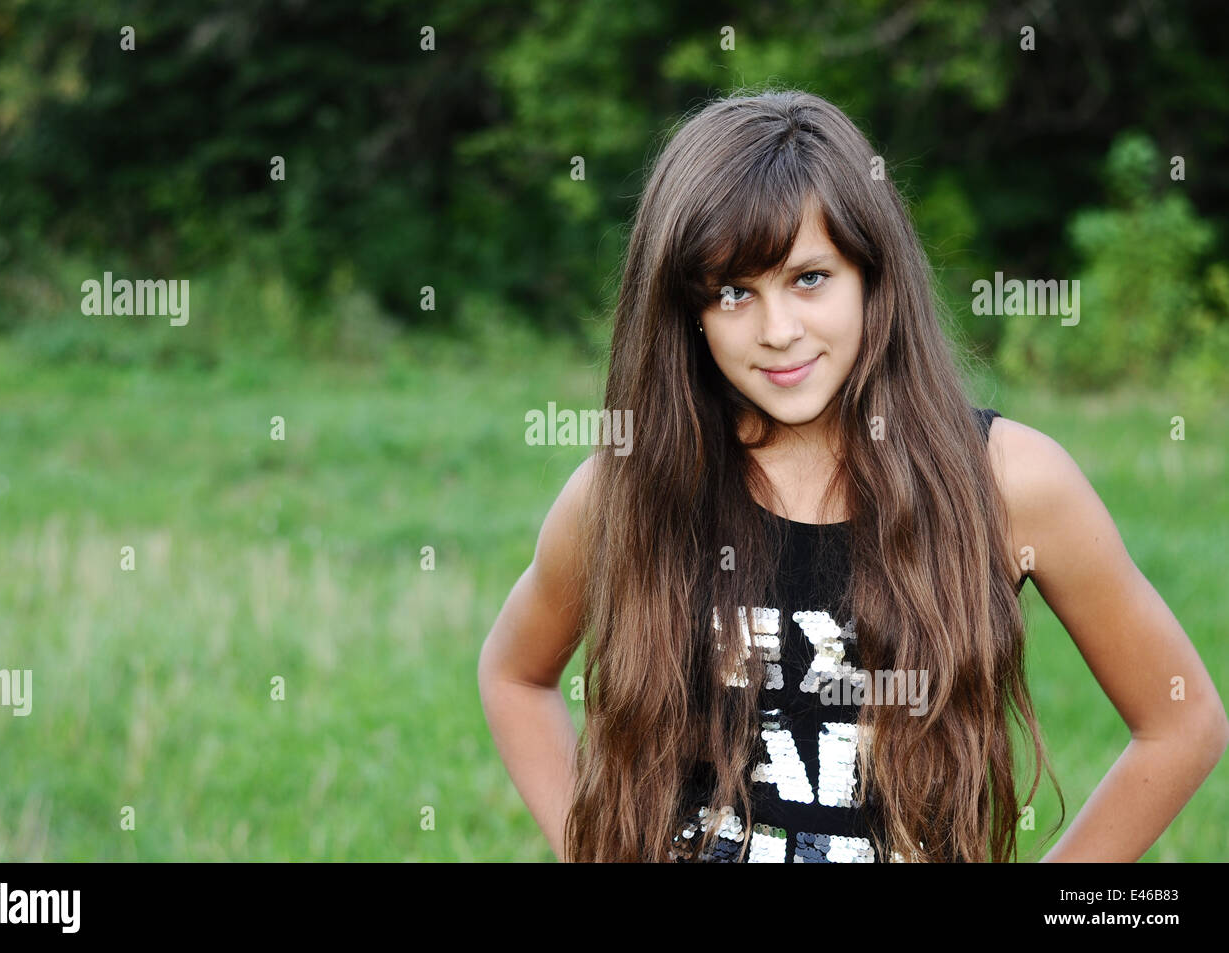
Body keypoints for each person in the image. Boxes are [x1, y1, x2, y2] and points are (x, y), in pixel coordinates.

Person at [477, 88, 1228, 863]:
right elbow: (516, 675)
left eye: (809, 278)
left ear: (872, 272)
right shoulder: (628, 489)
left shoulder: (1009, 483)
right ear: (686, 313)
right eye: (733, 292)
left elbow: (1181, 720)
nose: (778, 331)